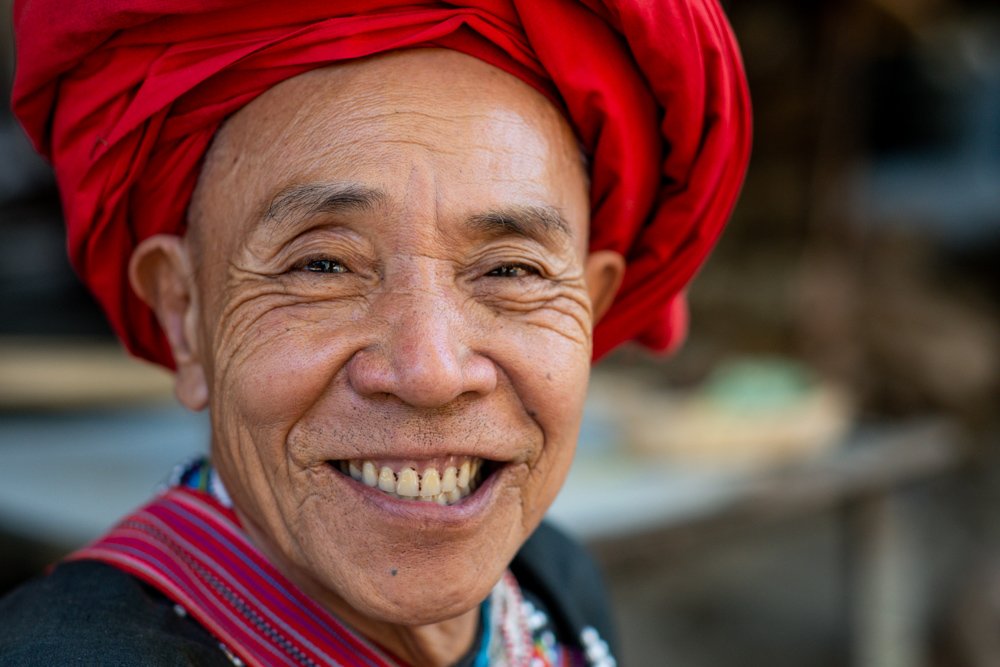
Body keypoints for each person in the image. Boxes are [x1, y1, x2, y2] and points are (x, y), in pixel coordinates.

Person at [0, 1, 751, 665]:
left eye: (511, 271)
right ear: (184, 313)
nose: (430, 371)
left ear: (590, 307)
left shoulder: (554, 584)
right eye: (324, 265)